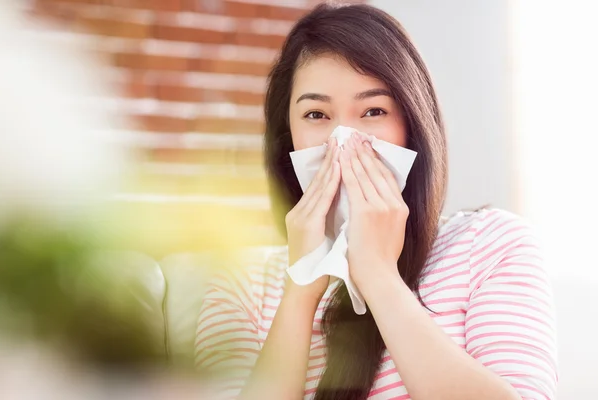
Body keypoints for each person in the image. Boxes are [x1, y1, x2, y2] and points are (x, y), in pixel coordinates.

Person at [194, 3, 557, 400]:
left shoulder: (490, 244)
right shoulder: (241, 283)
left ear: (412, 127)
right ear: (288, 138)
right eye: (316, 115)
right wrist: (300, 291)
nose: (344, 139)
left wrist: (378, 276)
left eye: (373, 110)